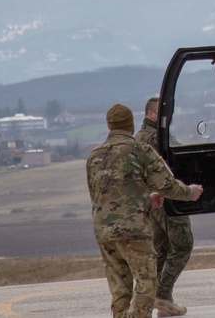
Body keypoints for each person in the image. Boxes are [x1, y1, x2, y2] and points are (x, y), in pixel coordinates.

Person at [87, 103, 203, 318]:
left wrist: (146, 200)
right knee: (146, 284)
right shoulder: (140, 149)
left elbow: (104, 194)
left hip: (104, 232)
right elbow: (166, 184)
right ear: (130, 124)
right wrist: (189, 192)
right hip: (133, 231)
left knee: (120, 289)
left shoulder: (95, 155)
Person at [135, 96, 194, 317]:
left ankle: (149, 302)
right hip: (166, 198)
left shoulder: (142, 136)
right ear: (151, 114)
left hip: (153, 201)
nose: (167, 116)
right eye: (162, 112)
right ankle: (163, 297)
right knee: (182, 244)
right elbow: (177, 159)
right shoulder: (155, 136)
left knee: (161, 251)